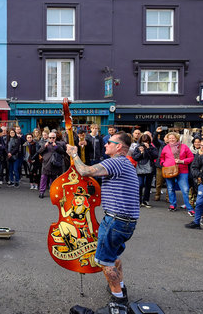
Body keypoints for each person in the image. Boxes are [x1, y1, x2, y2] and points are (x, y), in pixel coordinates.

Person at [66, 131, 139, 309]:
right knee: (114, 257)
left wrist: (74, 154)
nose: (106, 144)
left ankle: (118, 300)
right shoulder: (126, 164)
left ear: (119, 147)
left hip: (116, 220)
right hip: (127, 220)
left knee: (105, 261)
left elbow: (84, 171)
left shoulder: (116, 162)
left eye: (109, 142)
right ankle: (120, 288)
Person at [160, 131, 195, 215]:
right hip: (169, 170)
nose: (171, 139)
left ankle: (189, 208)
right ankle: (173, 204)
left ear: (177, 138)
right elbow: (161, 157)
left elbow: (191, 157)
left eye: (173, 138)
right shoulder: (165, 147)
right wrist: (163, 163)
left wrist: (182, 161)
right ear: (167, 139)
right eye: (170, 138)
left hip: (182, 170)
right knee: (170, 188)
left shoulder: (184, 147)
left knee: (185, 189)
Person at [132, 133, 158, 208]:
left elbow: (155, 156)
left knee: (148, 185)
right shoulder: (138, 148)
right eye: (143, 141)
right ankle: (138, 201)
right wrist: (141, 152)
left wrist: (148, 149)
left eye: (146, 141)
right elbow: (135, 157)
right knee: (140, 184)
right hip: (140, 168)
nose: (145, 143)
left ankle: (145, 200)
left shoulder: (151, 147)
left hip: (149, 168)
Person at [37, 132, 66, 199]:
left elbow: (62, 152)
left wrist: (56, 146)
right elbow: (39, 152)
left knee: (53, 180)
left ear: (55, 138)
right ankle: (41, 192)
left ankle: (53, 192)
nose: (52, 139)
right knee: (43, 179)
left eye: (53, 137)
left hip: (54, 164)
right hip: (46, 163)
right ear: (48, 138)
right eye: (50, 138)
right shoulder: (45, 144)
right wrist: (44, 146)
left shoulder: (58, 144)